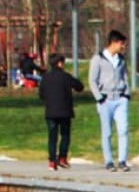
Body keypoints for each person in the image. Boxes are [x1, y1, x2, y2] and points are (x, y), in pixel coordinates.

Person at [88, 30, 131, 172]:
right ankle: (109, 161)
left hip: (120, 99)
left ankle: (122, 161)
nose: (123, 46)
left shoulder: (121, 59)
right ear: (114, 43)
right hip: (105, 100)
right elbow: (92, 80)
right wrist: (99, 98)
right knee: (107, 132)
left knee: (123, 130)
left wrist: (126, 94)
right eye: (121, 43)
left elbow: (125, 77)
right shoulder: (98, 59)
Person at [39, 52, 84, 170]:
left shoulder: (45, 78)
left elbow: (41, 94)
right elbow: (80, 87)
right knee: (65, 135)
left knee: (52, 137)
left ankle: (52, 161)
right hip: (65, 111)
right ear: (60, 63)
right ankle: (62, 158)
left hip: (50, 111)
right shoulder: (66, 76)